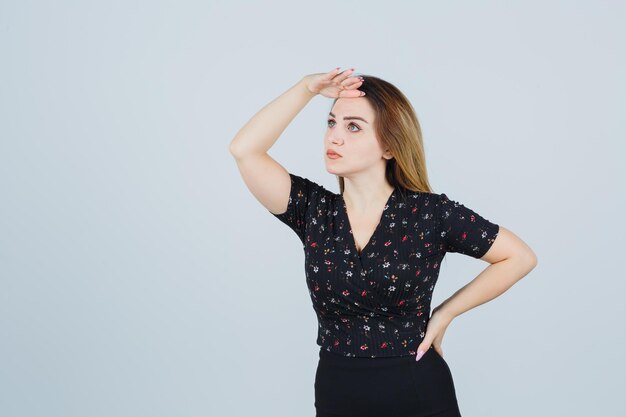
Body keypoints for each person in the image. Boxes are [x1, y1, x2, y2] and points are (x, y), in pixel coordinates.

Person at [229, 67, 538, 417]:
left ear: (389, 145)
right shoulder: (313, 211)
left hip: (417, 387)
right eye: (331, 123)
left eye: (353, 127)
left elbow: (519, 257)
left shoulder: (430, 214)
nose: (334, 137)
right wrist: (306, 88)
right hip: (337, 392)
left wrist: (445, 313)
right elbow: (244, 150)